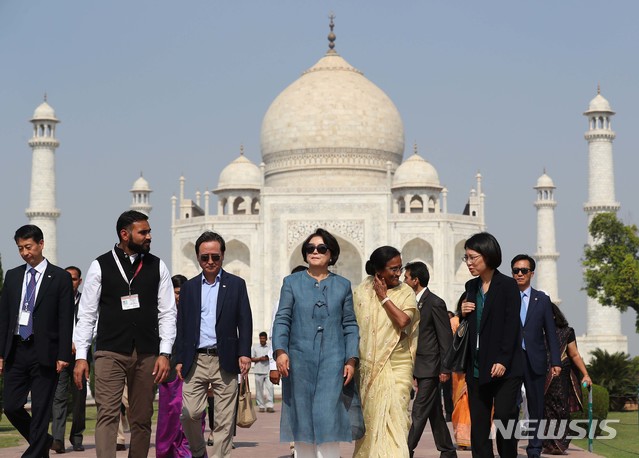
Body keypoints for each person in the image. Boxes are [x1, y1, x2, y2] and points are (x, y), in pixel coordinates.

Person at [73, 210, 176, 458]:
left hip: (147, 352)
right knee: (107, 413)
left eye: (149, 231)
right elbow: (86, 314)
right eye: (144, 232)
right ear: (125, 234)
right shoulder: (100, 265)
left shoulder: (157, 265)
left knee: (141, 418)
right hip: (110, 351)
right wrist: (81, 356)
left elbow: (168, 312)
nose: (149, 236)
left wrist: (165, 352)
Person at [273, 228, 361, 458]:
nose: (315, 252)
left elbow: (350, 325)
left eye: (321, 248)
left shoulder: (342, 285)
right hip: (299, 361)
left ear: (331, 254)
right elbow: (283, 318)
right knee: (302, 420)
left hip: (333, 362)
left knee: (328, 417)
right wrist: (280, 351)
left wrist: (351, 359)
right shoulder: (291, 283)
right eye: (310, 248)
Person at [175, 231, 253, 458]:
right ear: (198, 257)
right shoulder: (189, 287)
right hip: (196, 359)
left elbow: (244, 320)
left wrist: (244, 353)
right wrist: (179, 357)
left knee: (224, 421)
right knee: (189, 413)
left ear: (223, 256)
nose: (210, 262)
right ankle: (199, 452)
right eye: (205, 257)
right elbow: (183, 325)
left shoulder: (236, 284)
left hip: (225, 358)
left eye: (215, 257)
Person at [0, 224, 74, 457]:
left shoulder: (60, 277)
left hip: (46, 352)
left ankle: (34, 453)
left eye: (28, 247)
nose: (25, 253)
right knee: (11, 406)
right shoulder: (13, 276)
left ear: (41, 244)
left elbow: (65, 319)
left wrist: (63, 354)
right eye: (20, 248)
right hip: (16, 350)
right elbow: (3, 317)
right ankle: (44, 442)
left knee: (42, 408)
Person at [460, 232, 523, 458]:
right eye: (465, 258)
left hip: (505, 368)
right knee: (479, 425)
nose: (468, 263)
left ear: (488, 255)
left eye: (472, 257)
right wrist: (463, 312)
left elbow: (512, 326)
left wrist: (503, 360)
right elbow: (469, 327)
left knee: (505, 417)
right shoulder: (471, 287)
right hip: (477, 366)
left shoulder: (507, 286)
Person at [353, 246, 419, 458]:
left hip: (397, 365)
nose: (398, 273)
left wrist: (384, 298)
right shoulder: (361, 292)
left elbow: (403, 321)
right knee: (372, 424)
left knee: (397, 420)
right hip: (369, 367)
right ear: (378, 271)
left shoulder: (405, 292)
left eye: (400, 268)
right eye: (393, 269)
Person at [511, 254, 561, 458]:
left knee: (536, 406)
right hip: (512, 361)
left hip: (535, 360)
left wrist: (556, 362)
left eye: (524, 270)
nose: (520, 274)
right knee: (510, 408)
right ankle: (509, 447)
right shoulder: (507, 297)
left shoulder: (542, 299)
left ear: (532, 273)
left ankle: (534, 448)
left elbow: (551, 333)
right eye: (516, 271)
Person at [405, 261, 457, 458]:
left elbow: (445, 339)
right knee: (434, 412)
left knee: (418, 411)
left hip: (431, 366)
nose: (404, 280)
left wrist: (445, 368)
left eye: (407, 277)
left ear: (416, 280)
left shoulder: (435, 302)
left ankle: (406, 450)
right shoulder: (413, 302)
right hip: (420, 365)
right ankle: (448, 450)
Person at [542, 303, 592, 455]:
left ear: (554, 315)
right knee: (545, 409)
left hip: (561, 373)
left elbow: (574, 354)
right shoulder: (535, 333)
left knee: (560, 407)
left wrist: (586, 374)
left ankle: (560, 443)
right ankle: (549, 443)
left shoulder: (566, 332)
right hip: (541, 374)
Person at [51, 266, 87, 453]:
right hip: (60, 355)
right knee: (59, 397)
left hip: (80, 356)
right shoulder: (55, 301)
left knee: (79, 398)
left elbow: (92, 324)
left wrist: (78, 344)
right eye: (67, 278)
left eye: (73, 279)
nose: (70, 282)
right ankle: (57, 439)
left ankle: (77, 437)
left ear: (79, 281)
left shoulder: (86, 301)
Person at [156, 274, 191, 458]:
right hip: (169, 374)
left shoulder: (194, 314)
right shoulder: (163, 314)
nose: (179, 297)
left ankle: (187, 453)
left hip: (189, 373)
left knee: (191, 414)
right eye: (176, 293)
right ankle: (166, 452)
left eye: (182, 293)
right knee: (169, 416)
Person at [450, 294, 470, 451]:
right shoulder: (454, 322)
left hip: (475, 367)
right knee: (460, 403)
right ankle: (462, 439)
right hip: (458, 370)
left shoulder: (480, 321)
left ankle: (475, 437)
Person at [251, 331, 275, 413]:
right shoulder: (255, 347)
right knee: (259, 390)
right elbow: (251, 358)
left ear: (266, 338)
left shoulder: (270, 347)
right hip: (258, 370)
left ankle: (270, 405)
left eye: (263, 339)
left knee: (270, 388)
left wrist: (267, 358)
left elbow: (273, 357)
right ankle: (261, 405)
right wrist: (259, 359)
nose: (262, 340)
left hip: (268, 370)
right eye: (261, 338)